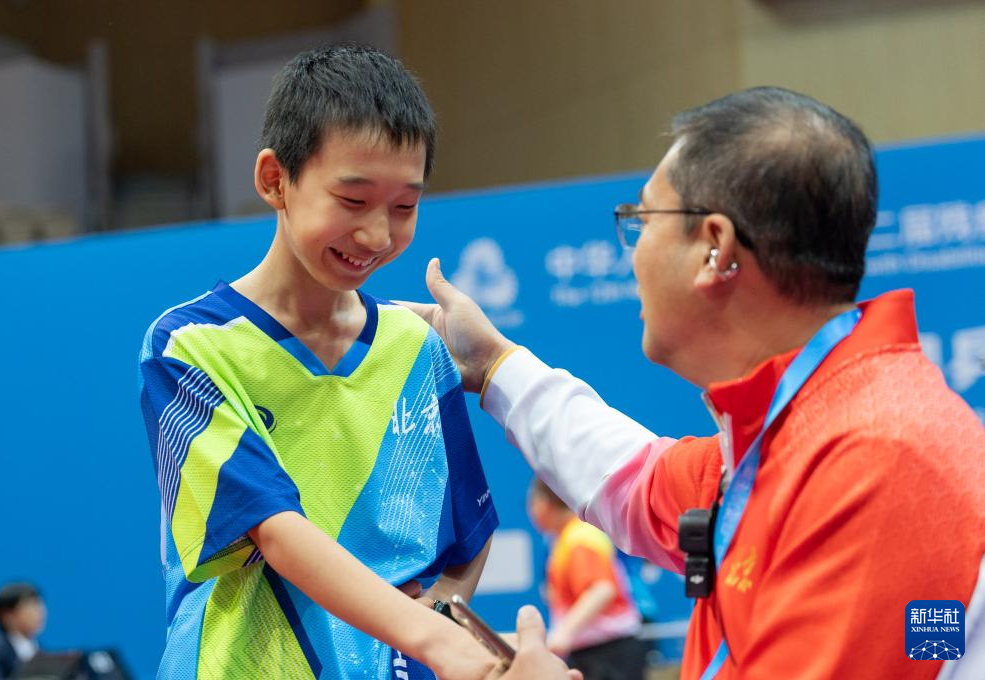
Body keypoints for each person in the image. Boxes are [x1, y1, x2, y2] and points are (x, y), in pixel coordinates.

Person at [405, 87, 985, 679]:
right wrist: (494, 365)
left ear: (715, 247)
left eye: (642, 220)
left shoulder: (873, 459)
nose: (632, 254)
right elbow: (632, 479)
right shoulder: (803, 433)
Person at [137, 45, 500, 680]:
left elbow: (470, 528)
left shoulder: (417, 349)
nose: (378, 236)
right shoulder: (189, 345)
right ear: (275, 179)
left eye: (405, 206)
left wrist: (440, 622)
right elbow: (275, 532)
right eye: (353, 200)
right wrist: (438, 641)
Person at [528, 478, 647, 680]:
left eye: (531, 502)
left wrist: (564, 633)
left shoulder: (579, 538)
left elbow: (602, 590)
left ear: (543, 503)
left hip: (609, 654)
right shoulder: (565, 538)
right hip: (597, 652)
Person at [0, 583, 46, 680]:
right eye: (31, 606)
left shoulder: (41, 650)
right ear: (7, 616)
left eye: (40, 605)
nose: (40, 612)